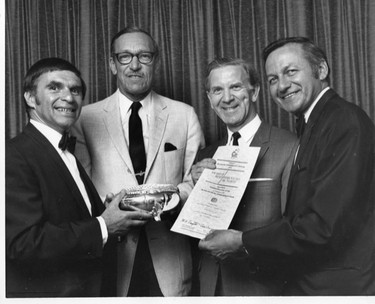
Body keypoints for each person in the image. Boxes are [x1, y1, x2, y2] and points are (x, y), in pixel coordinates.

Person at [199, 37, 375, 295]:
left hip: (338, 287)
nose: (282, 85)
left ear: (322, 70)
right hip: (317, 284)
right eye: (273, 79)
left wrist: (241, 241)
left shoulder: (343, 121)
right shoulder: (315, 121)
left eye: (291, 71)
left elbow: (322, 227)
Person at [72, 27, 205, 296]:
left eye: (144, 56)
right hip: (112, 255)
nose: (135, 65)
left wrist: (170, 199)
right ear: (112, 64)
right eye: (125, 57)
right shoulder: (84, 118)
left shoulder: (184, 114)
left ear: (155, 61)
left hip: (169, 255)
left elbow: (196, 180)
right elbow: (80, 186)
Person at [6, 57, 153, 297]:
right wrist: (104, 225)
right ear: (31, 98)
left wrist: (106, 211)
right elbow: (22, 244)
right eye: (54, 87)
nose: (68, 97)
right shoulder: (13, 155)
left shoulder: (66, 153)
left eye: (75, 90)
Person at [191, 58, 298, 296]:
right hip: (210, 286)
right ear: (209, 99)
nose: (227, 98)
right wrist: (195, 191)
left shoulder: (288, 146)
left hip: (261, 286)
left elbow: (295, 228)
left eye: (236, 87)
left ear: (255, 91)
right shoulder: (206, 154)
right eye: (217, 90)